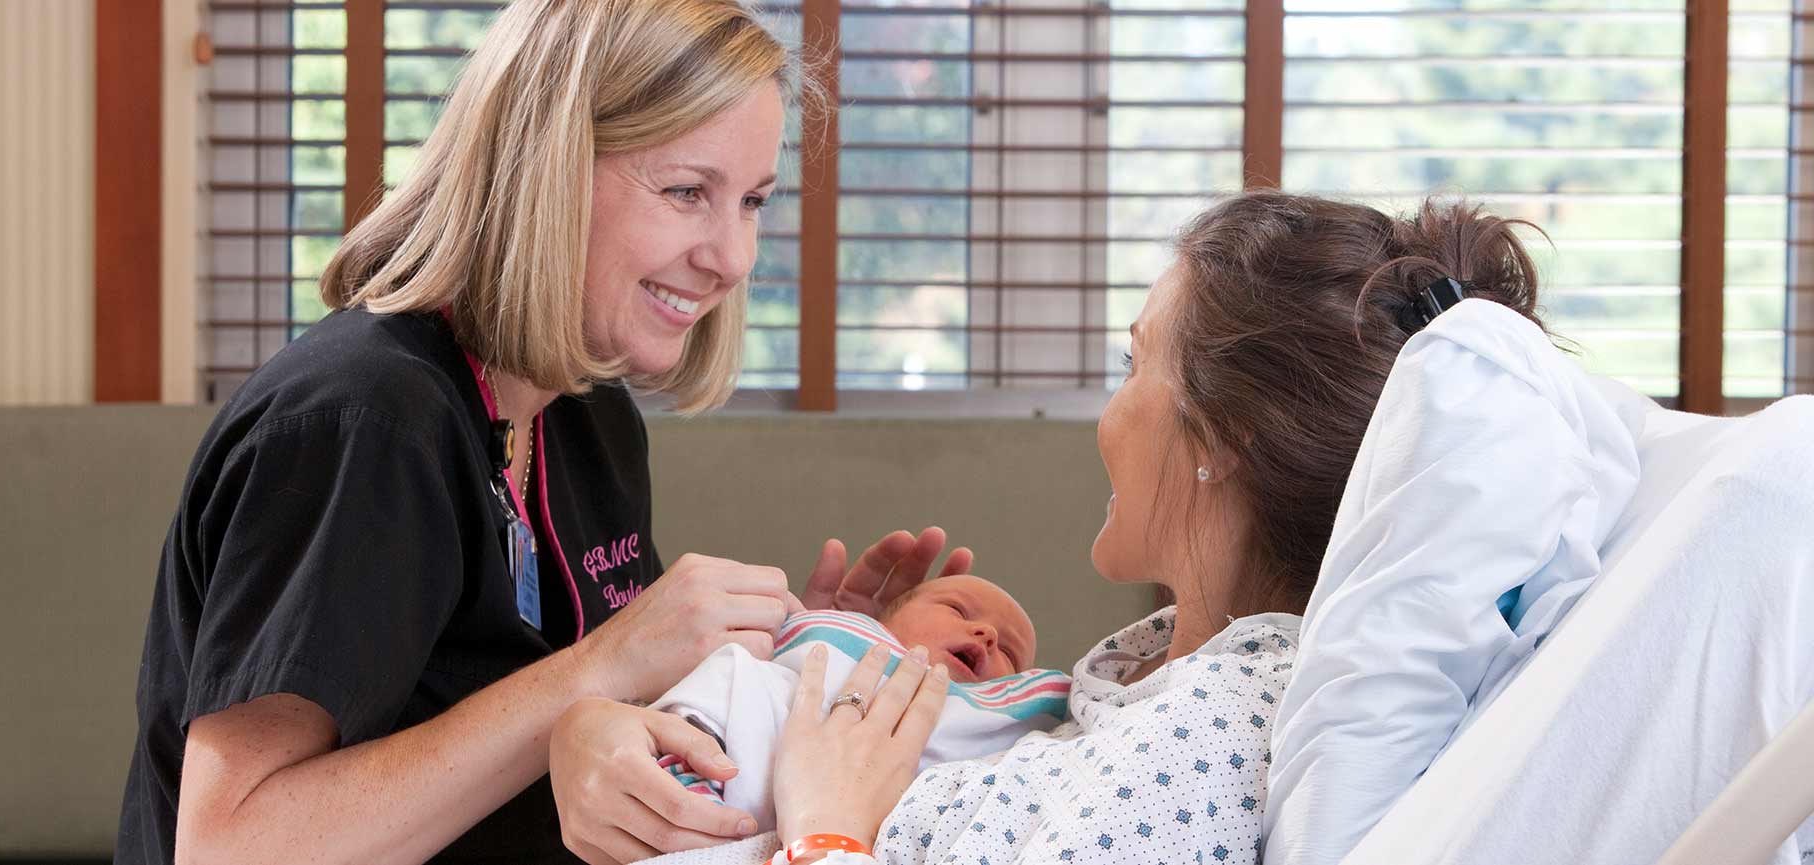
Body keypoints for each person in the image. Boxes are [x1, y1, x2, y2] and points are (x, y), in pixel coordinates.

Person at [113, 1, 971, 862]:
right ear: (544, 171)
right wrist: (603, 663)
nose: (733, 256)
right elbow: (230, 846)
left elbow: (599, 741)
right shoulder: (366, 425)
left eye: (750, 201)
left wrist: (792, 664)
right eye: (685, 192)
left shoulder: (588, 418)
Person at [549, 191, 1553, 864]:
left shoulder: (1210, 742)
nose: (1111, 417)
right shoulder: (1167, 687)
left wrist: (827, 824)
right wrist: (821, 657)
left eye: (1134, 365)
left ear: (1225, 436)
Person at [649, 576, 1072, 828]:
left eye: (1011, 656)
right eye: (957, 610)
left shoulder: (988, 719)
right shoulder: (830, 637)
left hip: (849, 834)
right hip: (735, 774)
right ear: (880, 621)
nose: (987, 634)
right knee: (735, 674)